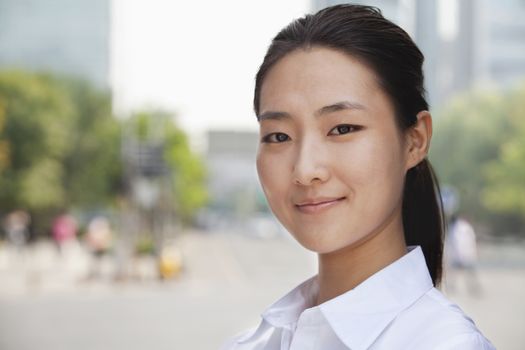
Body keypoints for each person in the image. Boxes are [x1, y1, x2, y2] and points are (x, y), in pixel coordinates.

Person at [222, 5, 494, 350]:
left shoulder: (445, 344)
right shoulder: (253, 343)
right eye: (279, 136)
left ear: (415, 141)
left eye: (342, 128)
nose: (306, 170)